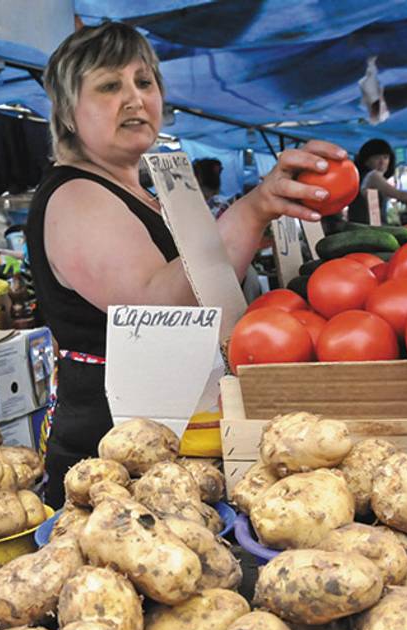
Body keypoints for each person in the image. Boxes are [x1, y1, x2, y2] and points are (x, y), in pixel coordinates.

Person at [28, 21, 345, 506]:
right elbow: (162, 309)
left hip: (164, 442)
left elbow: (203, 280)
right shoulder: (74, 196)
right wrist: (256, 207)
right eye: (110, 85)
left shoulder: (142, 193)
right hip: (111, 462)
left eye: (144, 81)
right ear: (68, 113)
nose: (134, 98)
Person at [348, 139, 407, 224]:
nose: (382, 162)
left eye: (385, 157)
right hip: (368, 230)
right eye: (376, 158)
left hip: (365, 229)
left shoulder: (362, 178)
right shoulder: (372, 176)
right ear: (366, 161)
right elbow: (401, 195)